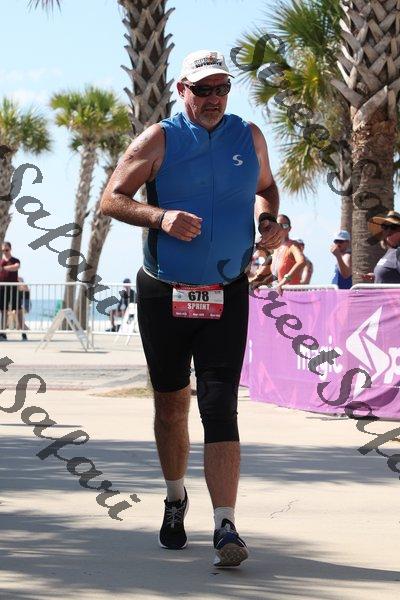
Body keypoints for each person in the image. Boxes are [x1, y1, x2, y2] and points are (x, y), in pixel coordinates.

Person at [101, 49, 283, 567]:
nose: (213, 98)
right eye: (203, 89)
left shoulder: (248, 136)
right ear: (182, 90)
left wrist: (270, 222)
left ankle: (225, 525)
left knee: (220, 405)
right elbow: (112, 198)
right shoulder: (158, 139)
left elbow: (267, 189)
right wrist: (160, 217)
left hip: (227, 290)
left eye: (222, 88)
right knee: (171, 404)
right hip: (165, 291)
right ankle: (175, 497)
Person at [361, 211, 400, 283]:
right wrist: (376, 276)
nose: (388, 230)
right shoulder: (391, 251)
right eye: (385, 227)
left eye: (393, 227)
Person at [271, 214, 306, 294]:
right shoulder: (275, 248)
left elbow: (302, 261)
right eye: (278, 225)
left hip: (292, 294)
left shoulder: (293, 245)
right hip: (279, 295)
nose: (281, 228)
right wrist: (257, 281)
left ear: (289, 229)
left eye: (285, 225)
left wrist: (284, 280)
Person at [0, 242, 20, 341]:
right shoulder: (1, 261)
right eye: (3, 250)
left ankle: (23, 332)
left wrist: (3, 268)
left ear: (10, 249)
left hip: (13, 289)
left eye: (6, 250)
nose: (5, 252)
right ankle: (3, 332)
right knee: (3, 311)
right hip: (2, 289)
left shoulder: (15, 260)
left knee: (18, 310)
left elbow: (16, 267)